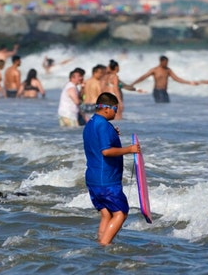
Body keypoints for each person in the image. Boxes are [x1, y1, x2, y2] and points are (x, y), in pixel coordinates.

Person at [82, 92, 140, 246]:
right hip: (106, 179)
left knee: (106, 214)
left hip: (93, 178)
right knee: (121, 213)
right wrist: (130, 149)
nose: (117, 112)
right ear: (107, 108)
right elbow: (106, 151)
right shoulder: (103, 125)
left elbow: (98, 142)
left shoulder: (91, 123)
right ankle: (105, 245)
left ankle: (99, 244)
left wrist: (112, 134)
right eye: (116, 109)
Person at [130, 55, 197, 103]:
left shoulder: (168, 70)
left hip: (164, 91)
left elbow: (176, 79)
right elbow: (143, 77)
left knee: (167, 105)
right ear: (161, 61)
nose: (166, 64)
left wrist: (189, 82)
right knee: (161, 106)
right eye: (165, 62)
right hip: (157, 91)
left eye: (167, 62)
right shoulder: (155, 70)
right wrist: (133, 84)